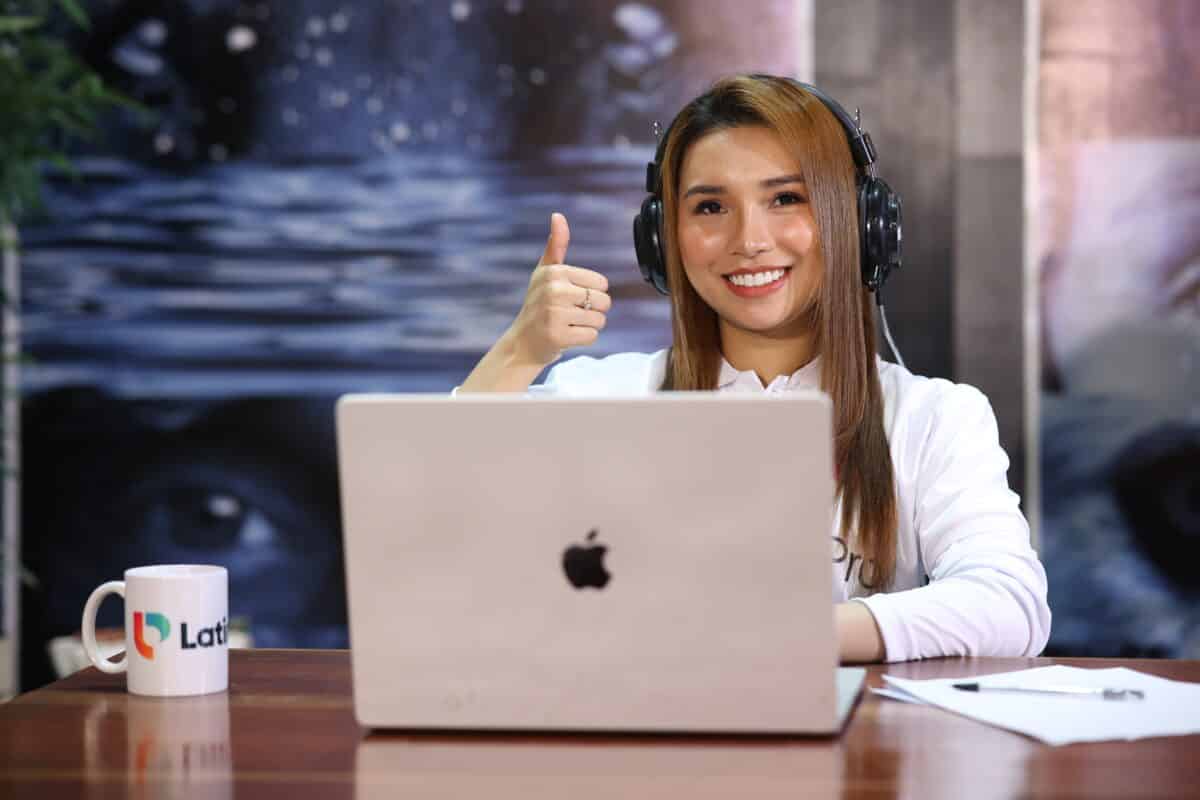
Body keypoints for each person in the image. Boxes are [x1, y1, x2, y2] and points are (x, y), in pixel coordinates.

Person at [458, 74, 1051, 663]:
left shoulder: (935, 418)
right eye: (710, 207)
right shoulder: (599, 396)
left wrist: (775, 637)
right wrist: (521, 351)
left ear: (859, 224)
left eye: (786, 199)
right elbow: (435, 529)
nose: (749, 240)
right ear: (663, 240)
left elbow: (1010, 603)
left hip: (852, 753)